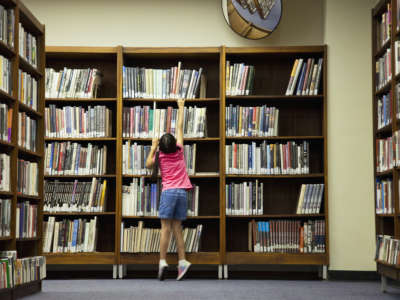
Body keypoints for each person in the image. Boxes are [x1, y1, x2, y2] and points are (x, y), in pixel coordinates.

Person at [145, 98, 192, 281]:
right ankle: (182, 262)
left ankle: (163, 261)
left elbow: (148, 165)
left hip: (169, 192)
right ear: (174, 144)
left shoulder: (159, 157)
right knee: (177, 229)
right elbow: (179, 128)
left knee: (165, 229)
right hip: (182, 193)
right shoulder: (179, 150)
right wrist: (181, 107)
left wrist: (153, 147)